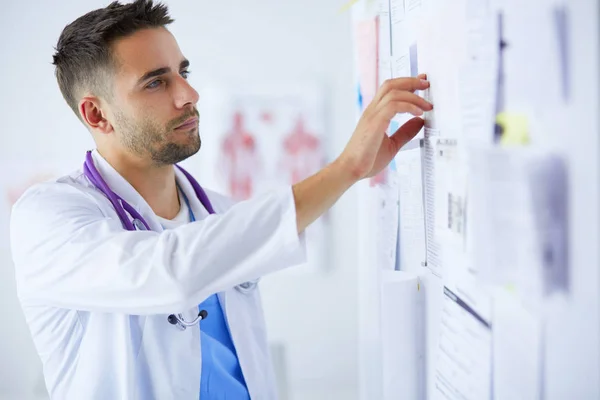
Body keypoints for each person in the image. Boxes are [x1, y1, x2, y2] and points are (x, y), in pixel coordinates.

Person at [9, 1, 432, 399]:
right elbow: (169, 270)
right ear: (96, 115)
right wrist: (347, 169)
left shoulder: (218, 212)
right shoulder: (49, 217)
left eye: (183, 71)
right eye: (156, 82)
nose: (188, 94)